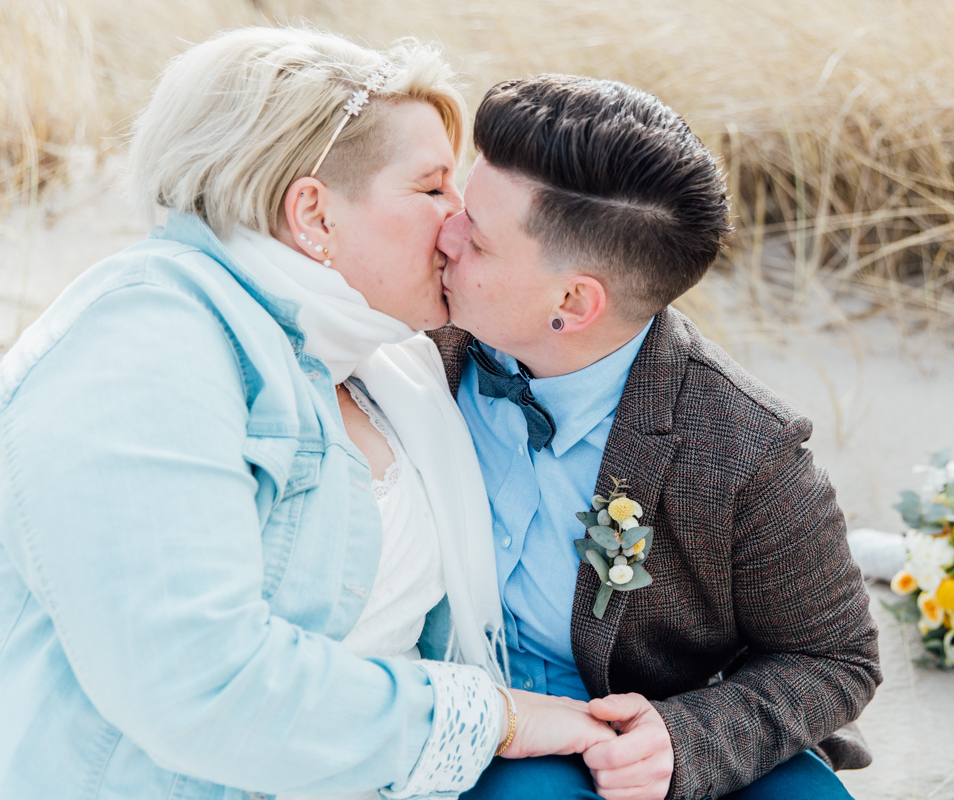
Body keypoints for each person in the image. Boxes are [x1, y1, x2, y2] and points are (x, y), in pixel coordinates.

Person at [0, 29, 614, 800]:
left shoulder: (386, 363)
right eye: (431, 190)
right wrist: (494, 718)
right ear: (314, 215)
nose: (460, 223)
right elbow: (197, 683)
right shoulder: (143, 346)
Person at [431, 75, 883, 800]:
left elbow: (834, 655)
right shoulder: (411, 340)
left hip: (650, 724)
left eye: (477, 239)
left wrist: (683, 740)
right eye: (458, 201)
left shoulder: (744, 450)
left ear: (574, 301)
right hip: (471, 720)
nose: (445, 234)